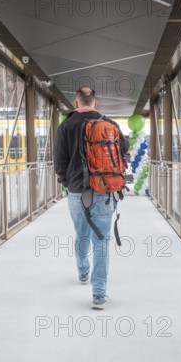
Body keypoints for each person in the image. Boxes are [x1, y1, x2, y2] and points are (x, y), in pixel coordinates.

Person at [53, 87, 129, 310]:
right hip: (105, 190)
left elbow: (60, 161)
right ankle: (99, 294)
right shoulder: (109, 124)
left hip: (78, 191)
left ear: (76, 103)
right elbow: (124, 151)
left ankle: (83, 271)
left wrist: (68, 183)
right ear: (95, 104)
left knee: (81, 233)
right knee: (102, 240)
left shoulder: (65, 125)